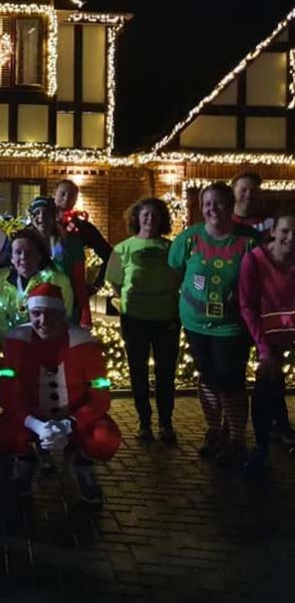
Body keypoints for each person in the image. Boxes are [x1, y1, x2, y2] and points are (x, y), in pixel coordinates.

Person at [0, 283, 121, 504]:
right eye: (36, 314)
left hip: (75, 417)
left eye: (50, 314)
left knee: (104, 438)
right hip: (33, 417)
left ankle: (82, 463)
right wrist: (36, 425)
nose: (43, 321)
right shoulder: (15, 341)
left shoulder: (86, 344)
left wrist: (69, 424)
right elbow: (7, 394)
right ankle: (26, 460)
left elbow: (101, 398)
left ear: (62, 314)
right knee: (1, 433)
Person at [169, 182, 260, 469]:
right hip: (196, 324)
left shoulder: (249, 241)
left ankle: (236, 439)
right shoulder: (189, 239)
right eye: (208, 204)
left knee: (230, 381)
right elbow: (175, 269)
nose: (213, 209)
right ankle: (214, 431)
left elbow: (263, 277)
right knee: (207, 376)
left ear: (230, 205)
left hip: (231, 327)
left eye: (219, 203)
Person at [105, 198, 180, 443]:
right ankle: (144, 421)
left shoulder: (171, 249)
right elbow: (114, 281)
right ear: (136, 218)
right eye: (145, 214)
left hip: (166, 317)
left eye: (155, 215)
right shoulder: (122, 248)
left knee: (165, 373)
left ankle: (166, 422)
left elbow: (181, 276)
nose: (149, 219)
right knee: (138, 371)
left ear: (162, 220)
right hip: (135, 318)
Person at [239, 211, 295, 474]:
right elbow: (247, 306)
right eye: (285, 231)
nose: (290, 238)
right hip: (265, 336)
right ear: (274, 231)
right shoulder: (255, 261)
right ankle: (261, 448)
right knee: (265, 385)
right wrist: (263, 349)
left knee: (275, 388)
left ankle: (280, 429)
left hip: (289, 336)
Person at [0, 229, 74, 344]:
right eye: (18, 252)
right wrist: (11, 343)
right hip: (8, 344)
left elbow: (64, 318)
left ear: (39, 256)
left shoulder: (58, 280)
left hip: (47, 344)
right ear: (11, 258)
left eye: (29, 252)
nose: (23, 257)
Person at [29, 197, 91, 328]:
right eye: (37, 213)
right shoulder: (26, 244)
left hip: (65, 309)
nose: (41, 217)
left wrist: (85, 313)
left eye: (46, 213)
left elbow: (79, 281)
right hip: (33, 312)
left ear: (53, 216)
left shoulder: (70, 243)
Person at [53, 179, 112, 292]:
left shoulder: (83, 227)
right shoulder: (42, 224)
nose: (66, 198)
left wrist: (97, 284)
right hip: (42, 288)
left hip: (73, 288)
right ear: (54, 194)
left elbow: (108, 254)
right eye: (62, 194)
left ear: (75, 200)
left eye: (71, 196)